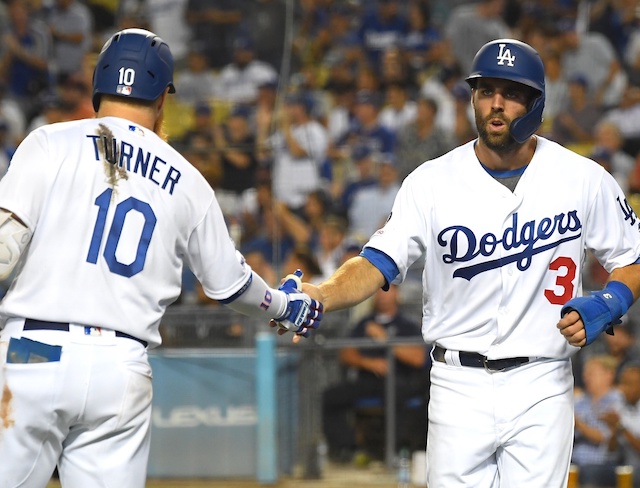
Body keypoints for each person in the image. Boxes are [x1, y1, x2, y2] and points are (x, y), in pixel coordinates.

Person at [294, 38, 640, 487]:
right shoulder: (431, 182)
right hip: (459, 386)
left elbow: (632, 259)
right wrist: (321, 293)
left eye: (511, 93)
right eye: (485, 90)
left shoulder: (583, 178)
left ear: (535, 102)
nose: (496, 104)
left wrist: (611, 301)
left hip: (543, 382)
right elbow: (375, 261)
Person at [0, 28, 322, 488]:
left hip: (34, 353)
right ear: (162, 98)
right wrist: (287, 307)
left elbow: (4, 249)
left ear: (98, 86)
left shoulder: (49, 142)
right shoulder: (188, 180)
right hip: (120, 367)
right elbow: (230, 285)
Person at [322, 285, 429, 463]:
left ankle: (396, 451)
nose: (382, 295)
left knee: (397, 395)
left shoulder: (407, 324)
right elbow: (346, 354)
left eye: (388, 290)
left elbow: (419, 359)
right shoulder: (365, 323)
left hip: (399, 380)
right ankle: (347, 449)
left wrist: (386, 340)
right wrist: (368, 362)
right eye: (378, 290)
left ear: (397, 293)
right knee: (331, 396)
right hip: (368, 380)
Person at [572, 355, 624, 487]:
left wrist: (578, 424)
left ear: (609, 375)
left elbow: (604, 437)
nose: (585, 377)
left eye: (591, 373)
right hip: (575, 461)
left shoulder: (616, 400)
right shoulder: (581, 401)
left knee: (591, 474)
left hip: (602, 464)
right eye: (585, 374)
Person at [601, 362, 640, 487]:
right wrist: (613, 431)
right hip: (624, 466)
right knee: (593, 471)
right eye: (622, 384)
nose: (623, 389)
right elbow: (610, 452)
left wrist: (620, 427)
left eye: (628, 384)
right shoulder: (618, 408)